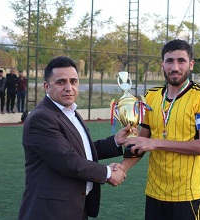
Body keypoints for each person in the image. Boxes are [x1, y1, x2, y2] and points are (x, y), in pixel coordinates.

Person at [18, 56, 131, 220]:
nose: (69, 87)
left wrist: (115, 141)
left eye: (73, 81)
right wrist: (108, 173)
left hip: (76, 206)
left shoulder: (69, 111)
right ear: (46, 86)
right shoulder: (41, 118)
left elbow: (80, 150)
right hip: (50, 211)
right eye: (61, 82)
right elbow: (67, 161)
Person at [120, 39, 200, 220]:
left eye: (181, 61)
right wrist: (121, 168)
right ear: (162, 65)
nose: (175, 67)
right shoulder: (151, 96)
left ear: (191, 64)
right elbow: (142, 142)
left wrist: (156, 143)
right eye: (169, 61)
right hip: (154, 193)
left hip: (187, 195)